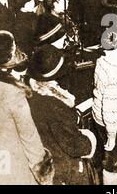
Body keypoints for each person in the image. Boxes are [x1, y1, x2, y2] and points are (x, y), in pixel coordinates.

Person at [0, 31, 54, 184]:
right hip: (13, 171)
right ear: (7, 59)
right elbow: (29, 138)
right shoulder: (13, 93)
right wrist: (44, 173)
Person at [27, 45, 96, 185]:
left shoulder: (30, 94)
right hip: (63, 169)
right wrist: (90, 140)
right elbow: (75, 146)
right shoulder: (56, 107)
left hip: (41, 161)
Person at [92, 30, 117, 185]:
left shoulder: (101, 61)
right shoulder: (114, 75)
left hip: (100, 119)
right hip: (114, 125)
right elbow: (110, 108)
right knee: (114, 159)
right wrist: (112, 135)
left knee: (110, 156)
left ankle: (115, 178)